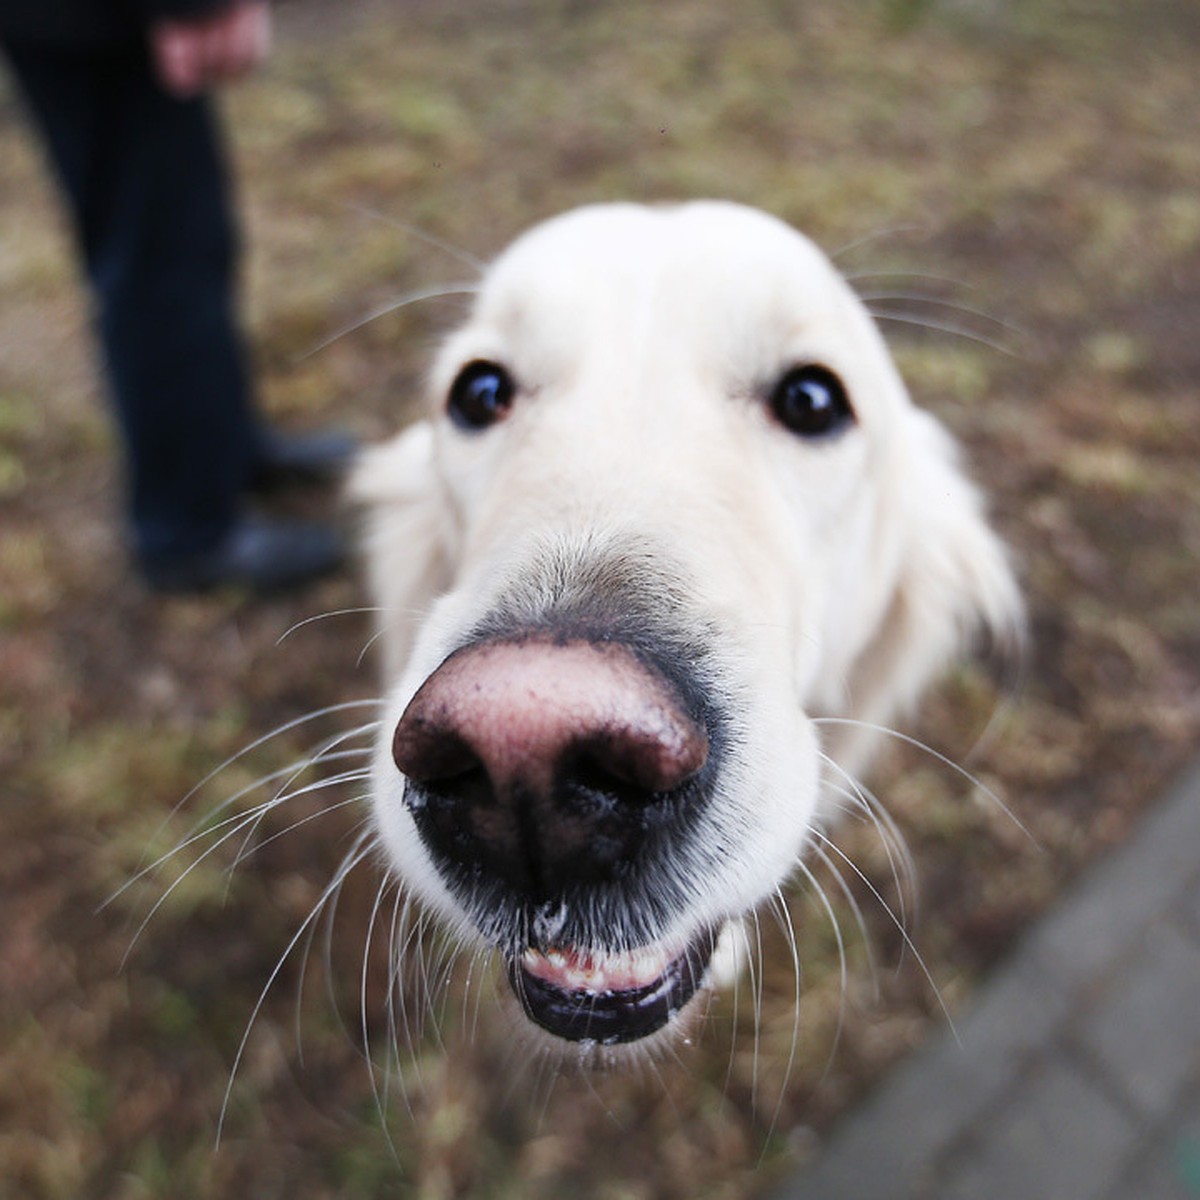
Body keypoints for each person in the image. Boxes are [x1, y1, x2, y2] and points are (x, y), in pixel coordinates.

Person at [0, 0, 352, 592]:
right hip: (93, 22)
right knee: (159, 260)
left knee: (179, 240)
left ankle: (222, 453)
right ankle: (187, 530)